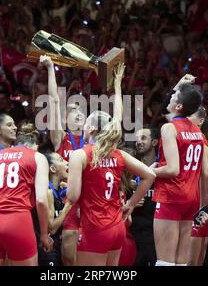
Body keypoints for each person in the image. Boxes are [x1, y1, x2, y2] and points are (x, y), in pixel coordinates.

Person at [42, 54, 124, 266]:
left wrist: (117, 86)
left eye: (81, 111)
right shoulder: (61, 138)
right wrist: (51, 69)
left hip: (96, 207)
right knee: (70, 260)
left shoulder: (100, 141)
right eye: (71, 111)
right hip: (71, 205)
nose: (77, 113)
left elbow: (117, 121)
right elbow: (53, 101)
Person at [67, 111, 156, 266]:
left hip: (95, 227)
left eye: (86, 124)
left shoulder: (79, 155)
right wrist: (131, 204)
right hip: (117, 227)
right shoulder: (119, 154)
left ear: (92, 129)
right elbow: (150, 175)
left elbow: (72, 197)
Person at [0, 124, 53, 266]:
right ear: (34, 146)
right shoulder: (38, 157)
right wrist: (44, 234)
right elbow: (41, 200)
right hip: (18, 221)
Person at [152, 78, 208, 266]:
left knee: (165, 262)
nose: (170, 97)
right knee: (181, 263)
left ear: (178, 106)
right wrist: (204, 204)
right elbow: (206, 174)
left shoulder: (169, 128)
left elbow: (172, 169)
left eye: (174, 95)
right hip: (191, 199)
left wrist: (149, 171)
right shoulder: (198, 132)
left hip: (172, 196)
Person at [33, 152, 73, 266]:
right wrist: (68, 205)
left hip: (57, 243)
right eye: (61, 160)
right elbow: (52, 229)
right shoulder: (48, 192)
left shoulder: (60, 187)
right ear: (53, 168)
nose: (66, 162)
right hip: (47, 247)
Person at [187, 106, 208, 266]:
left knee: (190, 263)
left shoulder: (200, 143)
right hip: (201, 209)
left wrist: (202, 208)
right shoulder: (195, 140)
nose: (185, 118)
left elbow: (207, 177)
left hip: (198, 210)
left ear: (201, 121)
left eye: (189, 115)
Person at [130, 127, 159, 266]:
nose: (138, 142)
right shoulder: (130, 168)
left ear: (154, 142)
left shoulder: (164, 168)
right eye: (136, 139)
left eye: (143, 138)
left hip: (157, 232)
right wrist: (131, 202)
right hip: (135, 231)